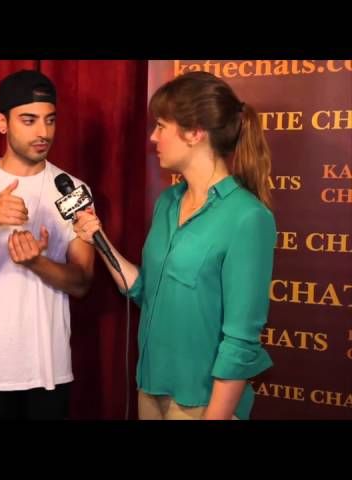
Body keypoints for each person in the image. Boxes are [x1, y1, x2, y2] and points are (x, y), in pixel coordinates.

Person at [74, 71, 275, 420]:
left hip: (202, 402)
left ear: (195, 133)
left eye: (161, 126)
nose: (153, 137)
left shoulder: (248, 217)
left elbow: (241, 341)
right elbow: (145, 290)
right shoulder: (168, 201)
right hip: (150, 390)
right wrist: (98, 239)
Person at [0, 70, 95, 420]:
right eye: (29, 120)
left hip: (49, 371)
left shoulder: (72, 190)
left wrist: (36, 263)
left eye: (50, 120)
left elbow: (82, 283)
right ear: (2, 123)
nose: (43, 132)